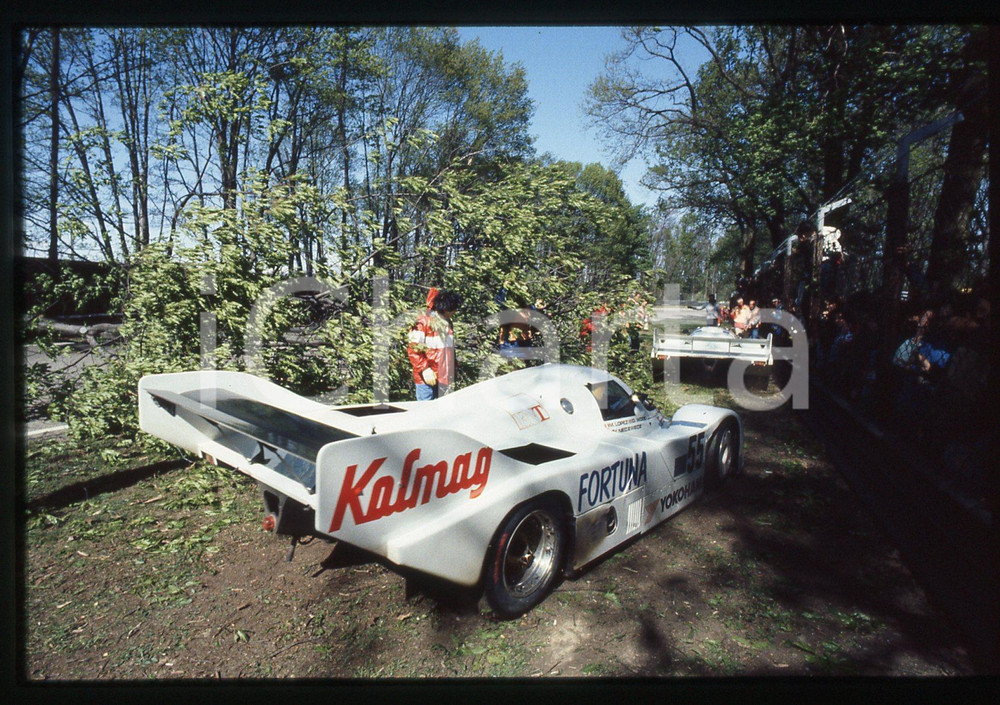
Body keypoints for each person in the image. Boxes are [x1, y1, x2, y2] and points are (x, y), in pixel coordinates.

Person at [407, 288, 462, 401]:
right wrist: (425, 369)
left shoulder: (448, 323)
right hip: (426, 380)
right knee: (426, 413)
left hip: (445, 378)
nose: (455, 312)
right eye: (454, 309)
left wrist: (454, 370)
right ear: (446, 309)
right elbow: (413, 348)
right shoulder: (423, 321)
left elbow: (448, 350)